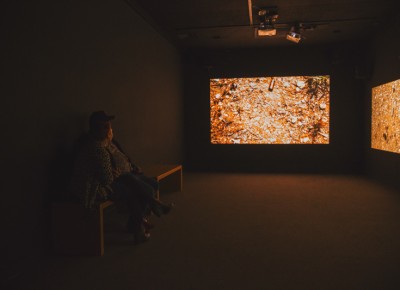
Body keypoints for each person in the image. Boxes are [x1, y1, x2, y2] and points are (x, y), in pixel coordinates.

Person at [70, 111, 173, 243]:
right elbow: (107, 180)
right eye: (107, 127)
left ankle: (144, 216)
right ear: (99, 129)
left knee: (137, 182)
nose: (110, 129)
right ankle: (142, 221)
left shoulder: (96, 144)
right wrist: (115, 174)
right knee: (135, 190)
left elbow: (112, 167)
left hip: (99, 183)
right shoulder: (98, 149)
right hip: (91, 191)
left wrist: (119, 172)